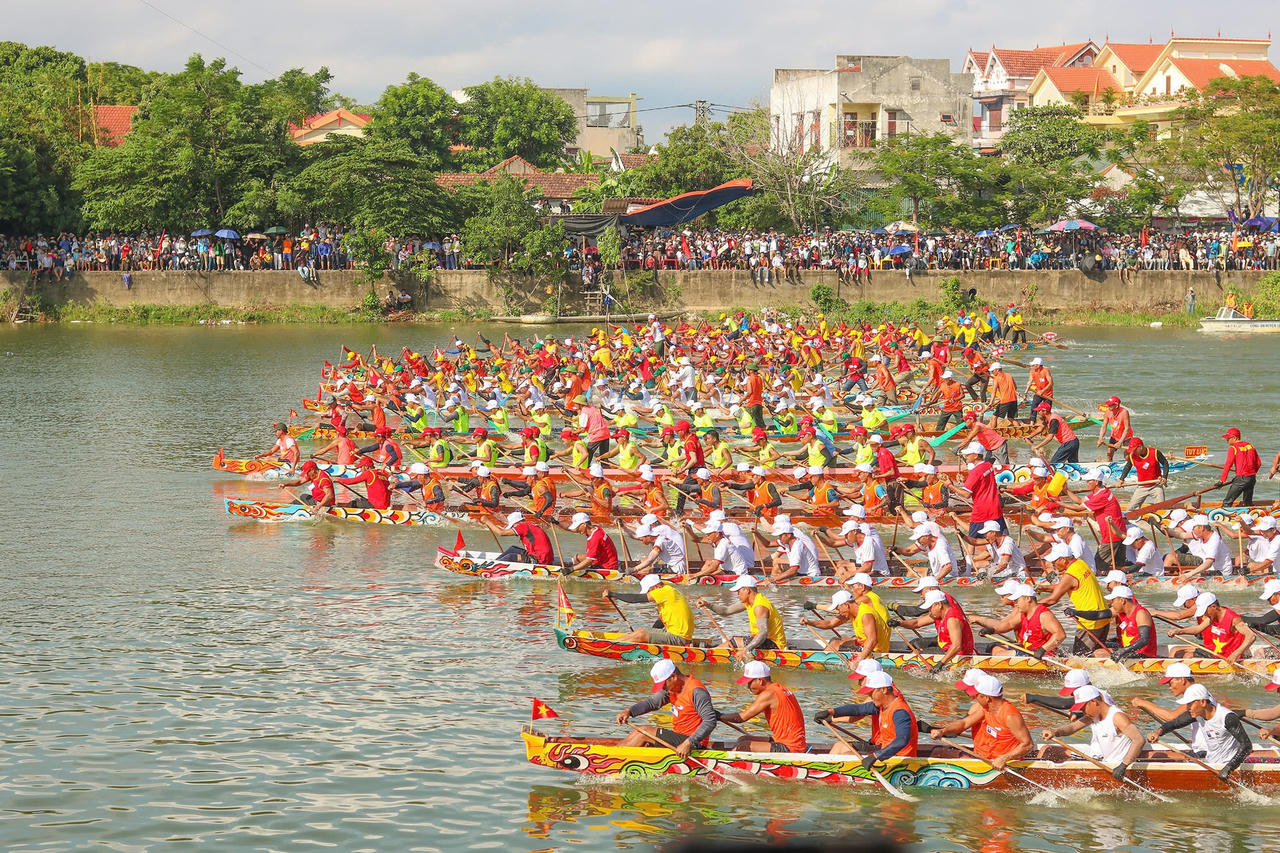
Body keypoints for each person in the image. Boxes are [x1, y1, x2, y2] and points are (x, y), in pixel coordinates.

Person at [615, 659, 718, 758]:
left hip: (694, 742)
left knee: (643, 732)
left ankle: (614, 759)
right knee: (637, 733)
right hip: (678, 736)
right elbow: (652, 703)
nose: (662, 689)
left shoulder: (696, 692)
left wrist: (688, 743)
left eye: (663, 685)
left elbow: (710, 721)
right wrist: (629, 711)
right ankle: (613, 754)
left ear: (673, 677)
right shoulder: (672, 689)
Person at [1147, 684, 1252, 780]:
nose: (1188, 708)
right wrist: (1158, 732)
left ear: (1202, 702)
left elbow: (1247, 746)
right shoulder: (1197, 715)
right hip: (1211, 763)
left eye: (1190, 704)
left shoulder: (1227, 717)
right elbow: (1175, 723)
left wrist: (1229, 768)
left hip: (1227, 766)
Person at [929, 673, 1033, 770]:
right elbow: (964, 723)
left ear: (987, 698)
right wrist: (942, 731)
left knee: (939, 755)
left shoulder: (1010, 716)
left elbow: (1028, 745)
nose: (974, 697)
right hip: (983, 756)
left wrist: (1004, 758)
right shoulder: (986, 709)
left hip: (998, 764)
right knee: (938, 751)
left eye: (977, 695)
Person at [1042, 685, 1146, 780]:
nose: (1083, 712)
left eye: (1083, 708)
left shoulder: (1117, 717)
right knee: (1049, 750)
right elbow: (1073, 727)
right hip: (1106, 763)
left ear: (1094, 701)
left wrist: (1123, 765)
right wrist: (1054, 732)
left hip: (1118, 767)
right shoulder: (1093, 716)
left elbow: (1139, 739)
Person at [815, 671, 918, 765]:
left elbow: (902, 740)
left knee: (845, 755)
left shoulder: (900, 712)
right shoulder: (882, 705)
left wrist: (876, 756)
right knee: (839, 746)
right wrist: (830, 712)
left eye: (871, 693)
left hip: (898, 758)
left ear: (884, 690)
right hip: (883, 749)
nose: (870, 696)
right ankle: (827, 772)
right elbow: (858, 709)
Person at [717, 661, 808, 753]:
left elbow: (741, 718)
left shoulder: (769, 694)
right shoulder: (782, 688)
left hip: (791, 747)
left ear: (760, 681)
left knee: (742, 747)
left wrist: (718, 715)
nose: (748, 687)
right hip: (790, 741)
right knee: (743, 739)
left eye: (749, 682)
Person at [1040, 543, 1111, 653]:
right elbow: (1064, 587)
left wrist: (1032, 608)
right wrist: (1042, 588)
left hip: (1089, 621)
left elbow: (1052, 600)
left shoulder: (1070, 575)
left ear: (1064, 559)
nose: (1054, 565)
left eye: (1055, 562)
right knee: (1097, 652)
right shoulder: (1080, 563)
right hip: (1103, 616)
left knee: (1080, 657)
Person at [698, 575, 787, 659]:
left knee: (733, 641)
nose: (738, 594)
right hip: (764, 640)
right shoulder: (749, 602)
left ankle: (705, 655)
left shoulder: (760, 606)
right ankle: (711, 651)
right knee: (731, 639)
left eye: (738, 591)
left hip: (774, 645)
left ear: (746, 590)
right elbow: (726, 611)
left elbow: (763, 633)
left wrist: (746, 650)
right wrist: (707, 604)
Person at [803, 579, 890, 662]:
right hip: (865, 644)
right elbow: (830, 623)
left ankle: (818, 661)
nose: (838, 611)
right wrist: (809, 622)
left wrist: (858, 661)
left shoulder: (866, 614)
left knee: (834, 644)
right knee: (839, 639)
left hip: (875, 651)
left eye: (838, 608)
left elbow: (872, 640)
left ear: (846, 604)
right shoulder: (851, 611)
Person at [971, 583, 1065, 658]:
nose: (1015, 604)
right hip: (1028, 649)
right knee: (996, 649)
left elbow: (1060, 635)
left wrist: (1042, 650)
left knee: (999, 655)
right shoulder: (1023, 613)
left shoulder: (1044, 615)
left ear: (1028, 598)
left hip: (1040, 654)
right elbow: (1009, 624)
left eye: (1017, 600)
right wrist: (992, 630)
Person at [895, 588, 975, 673]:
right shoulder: (939, 614)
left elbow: (957, 646)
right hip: (946, 649)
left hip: (959, 654)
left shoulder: (952, 619)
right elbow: (916, 623)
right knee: (917, 648)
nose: (929, 611)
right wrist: (899, 623)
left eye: (930, 608)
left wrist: (940, 664)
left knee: (914, 656)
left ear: (938, 605)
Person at [603, 574, 695, 645]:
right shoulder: (669, 594)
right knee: (640, 631)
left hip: (679, 637)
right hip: (674, 633)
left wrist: (613, 594)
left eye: (648, 591)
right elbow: (661, 622)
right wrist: (650, 635)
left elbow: (636, 599)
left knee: (641, 635)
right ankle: (611, 643)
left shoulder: (665, 591)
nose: (648, 594)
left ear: (655, 587)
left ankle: (609, 646)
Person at [1063, 470, 1127, 571]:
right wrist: (1066, 490)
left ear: (1096, 482)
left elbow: (1078, 508)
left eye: (1089, 481)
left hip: (1112, 536)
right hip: (1118, 532)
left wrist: (1058, 503)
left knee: (1097, 567)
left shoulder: (1101, 496)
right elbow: (1080, 501)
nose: (1087, 483)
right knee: (1118, 566)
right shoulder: (1100, 492)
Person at [1168, 591, 1255, 662]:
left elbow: (1251, 636)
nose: (1204, 614)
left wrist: (1236, 654)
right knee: (1180, 653)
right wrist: (1178, 632)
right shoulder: (1212, 617)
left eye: (1205, 611)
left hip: (1227, 658)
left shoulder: (1233, 619)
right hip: (1214, 652)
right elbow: (1197, 629)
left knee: (1188, 657)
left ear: (1213, 607)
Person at [1103, 585, 1158, 661]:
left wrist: (1123, 651)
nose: (1112, 604)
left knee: (1100, 653)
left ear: (1122, 600)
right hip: (1129, 650)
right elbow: (1099, 615)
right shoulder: (1122, 613)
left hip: (1143, 655)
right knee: (1102, 646)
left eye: (1113, 600)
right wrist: (1080, 613)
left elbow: (1144, 640)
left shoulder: (1141, 613)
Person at [1115, 436, 1169, 511]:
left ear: (1140, 447)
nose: (1133, 452)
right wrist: (1121, 479)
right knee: (1131, 509)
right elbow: (1127, 467)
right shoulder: (1132, 456)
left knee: (1161, 509)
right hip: (1142, 486)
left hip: (1156, 485)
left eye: (1134, 450)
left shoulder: (1155, 453)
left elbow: (1165, 463)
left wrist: (1164, 477)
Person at [481, 511, 555, 564]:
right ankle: (494, 563)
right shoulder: (529, 525)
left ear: (516, 523)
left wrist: (487, 521)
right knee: (513, 549)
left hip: (540, 560)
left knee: (510, 557)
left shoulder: (523, 526)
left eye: (513, 526)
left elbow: (501, 533)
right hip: (544, 557)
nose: (513, 528)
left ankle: (491, 567)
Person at [1219, 427, 1262, 506]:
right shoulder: (1250, 446)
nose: (1227, 440)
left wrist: (1222, 480)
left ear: (1234, 438)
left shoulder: (1233, 448)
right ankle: (1251, 514)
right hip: (1252, 478)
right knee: (1248, 503)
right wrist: (1251, 473)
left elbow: (1228, 465)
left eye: (1228, 438)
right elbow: (1259, 463)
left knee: (1227, 503)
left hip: (1241, 478)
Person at [1097, 396, 1132, 462]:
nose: (1108, 406)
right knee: (1109, 455)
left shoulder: (1124, 412)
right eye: (1108, 404)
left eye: (1110, 405)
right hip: (1114, 436)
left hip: (1126, 437)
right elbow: (1104, 426)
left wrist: (1120, 442)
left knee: (1127, 457)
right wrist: (1100, 438)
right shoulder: (1107, 412)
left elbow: (1127, 428)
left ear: (1116, 405)